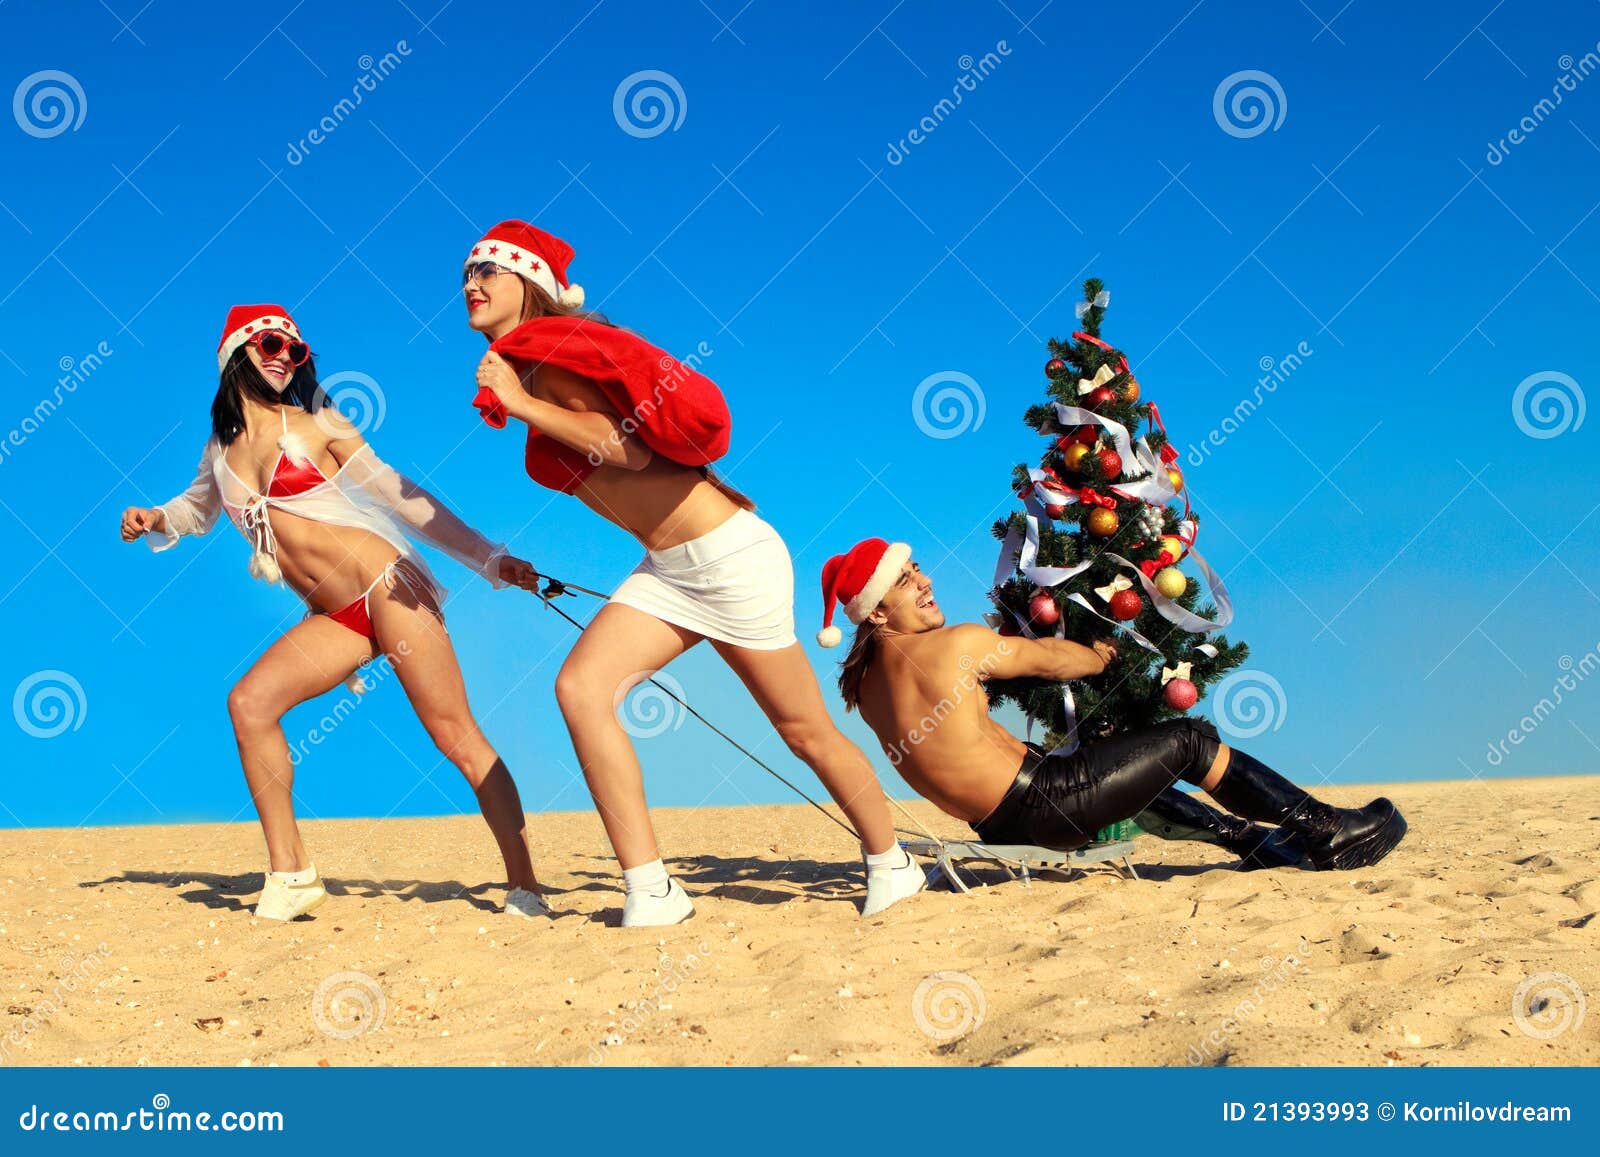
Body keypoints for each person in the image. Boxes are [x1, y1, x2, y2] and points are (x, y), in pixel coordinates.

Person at [461, 220, 925, 926]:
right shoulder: (532, 364)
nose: (472, 283)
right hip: (670, 569)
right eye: (467, 272)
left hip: (732, 556)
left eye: (489, 271)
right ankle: (650, 886)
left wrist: (522, 402)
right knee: (581, 689)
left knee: (802, 730)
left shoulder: (549, 358)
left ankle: (893, 861)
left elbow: (630, 453)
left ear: (529, 285)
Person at [121, 304, 550, 921]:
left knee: (454, 734)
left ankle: (525, 884)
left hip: (387, 584)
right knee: (249, 704)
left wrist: (490, 558)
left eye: (295, 351)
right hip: (335, 614)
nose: (283, 357)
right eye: (270, 343)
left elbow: (402, 496)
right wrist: (154, 517)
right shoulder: (220, 450)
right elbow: (195, 508)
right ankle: (291, 874)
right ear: (236, 352)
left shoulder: (317, 423)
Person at [816, 537, 1408, 871]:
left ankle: (1250, 841)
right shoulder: (958, 644)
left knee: (1110, 756)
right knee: (1188, 741)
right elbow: (1051, 661)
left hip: (1000, 824)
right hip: (1045, 807)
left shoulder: (864, 688)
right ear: (875, 610)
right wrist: (1100, 655)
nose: (924, 581)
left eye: (918, 568)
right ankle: (1325, 829)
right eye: (903, 581)